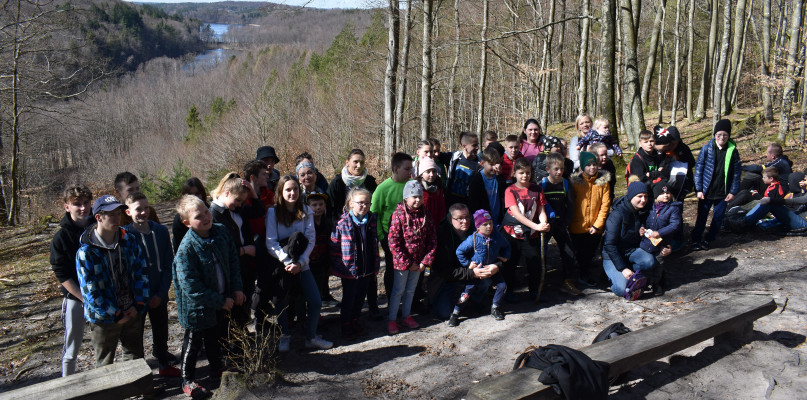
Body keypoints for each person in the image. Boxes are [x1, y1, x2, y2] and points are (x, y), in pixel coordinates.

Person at [173, 195, 245, 398]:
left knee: (215, 336)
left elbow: (232, 261)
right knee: (193, 342)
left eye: (206, 211)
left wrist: (236, 289)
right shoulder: (186, 250)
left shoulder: (220, 232)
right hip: (197, 306)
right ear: (187, 223)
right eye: (199, 216)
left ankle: (217, 368)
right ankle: (186, 379)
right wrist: (220, 301)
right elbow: (191, 288)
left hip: (221, 297)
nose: (206, 217)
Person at [76, 195, 149, 368]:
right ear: (99, 217)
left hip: (131, 310)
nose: (117, 218)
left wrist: (138, 303)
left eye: (118, 213)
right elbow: (90, 292)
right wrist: (114, 314)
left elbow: (142, 272)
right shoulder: (86, 252)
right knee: (105, 365)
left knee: (135, 358)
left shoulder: (129, 240)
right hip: (104, 318)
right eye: (111, 214)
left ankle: (139, 392)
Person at [266, 175, 333, 351]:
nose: (292, 193)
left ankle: (311, 336)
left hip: (303, 265)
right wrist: (288, 262)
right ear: (281, 191)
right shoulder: (273, 212)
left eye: (295, 189)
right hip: (283, 265)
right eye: (288, 189)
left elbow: (311, 239)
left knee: (315, 300)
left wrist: (301, 262)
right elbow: (271, 242)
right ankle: (284, 336)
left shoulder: (305, 211)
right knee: (281, 302)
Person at [123, 192, 181, 376]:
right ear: (128, 212)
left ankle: (164, 364)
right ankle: (141, 374)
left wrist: (162, 292)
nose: (143, 212)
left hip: (159, 293)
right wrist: (141, 298)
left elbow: (167, 263)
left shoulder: (161, 231)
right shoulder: (125, 236)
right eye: (138, 209)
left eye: (146, 208)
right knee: (136, 336)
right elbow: (126, 270)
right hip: (137, 298)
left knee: (161, 330)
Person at [209, 172, 265, 329]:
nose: (240, 204)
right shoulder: (213, 214)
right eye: (238, 200)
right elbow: (220, 247)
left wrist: (252, 192)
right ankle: (236, 345)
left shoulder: (235, 209)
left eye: (242, 201)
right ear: (226, 193)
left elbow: (259, 211)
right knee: (233, 309)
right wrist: (244, 250)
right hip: (230, 270)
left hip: (243, 266)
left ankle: (242, 339)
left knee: (243, 306)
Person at [428, 204, 500, 320]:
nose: (465, 221)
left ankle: (473, 301)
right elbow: (443, 270)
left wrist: (496, 266)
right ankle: (458, 301)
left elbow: (498, 249)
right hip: (448, 279)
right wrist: (471, 273)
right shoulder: (442, 235)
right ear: (451, 219)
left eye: (467, 217)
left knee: (486, 277)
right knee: (444, 313)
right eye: (460, 218)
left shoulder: (478, 228)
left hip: (474, 273)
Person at [50, 184, 92, 376]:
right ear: (67, 206)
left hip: (102, 295)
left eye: (86, 203)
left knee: (105, 343)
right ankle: (67, 387)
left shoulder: (98, 227)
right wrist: (83, 298)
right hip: (76, 298)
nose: (82, 208)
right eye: (77, 204)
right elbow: (62, 274)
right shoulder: (61, 238)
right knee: (72, 348)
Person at [386, 181, 437, 334]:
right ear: (406, 197)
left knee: (411, 290)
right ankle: (392, 319)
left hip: (419, 263)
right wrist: (408, 263)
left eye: (420, 196)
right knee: (398, 291)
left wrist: (425, 262)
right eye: (413, 196)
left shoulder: (426, 214)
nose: (417, 200)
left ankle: (406, 316)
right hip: (403, 263)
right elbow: (393, 242)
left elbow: (432, 239)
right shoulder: (399, 214)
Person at [330, 188, 380, 341]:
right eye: (360, 203)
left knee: (360, 297)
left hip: (367, 267)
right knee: (349, 298)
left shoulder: (371, 220)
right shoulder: (342, 223)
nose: (363, 206)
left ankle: (356, 320)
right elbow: (334, 246)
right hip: (350, 270)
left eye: (367, 203)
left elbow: (374, 243)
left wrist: (376, 265)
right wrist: (336, 265)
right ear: (351, 203)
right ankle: (346, 324)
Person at [602, 182, 665, 299]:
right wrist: (623, 268)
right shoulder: (617, 215)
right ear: (631, 196)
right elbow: (609, 245)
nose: (643, 200)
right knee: (622, 289)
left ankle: (633, 274)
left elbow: (654, 229)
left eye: (645, 196)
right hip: (612, 255)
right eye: (639, 196)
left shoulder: (642, 210)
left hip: (630, 250)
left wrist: (663, 244)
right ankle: (611, 276)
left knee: (649, 261)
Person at [500, 158, 550, 302]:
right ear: (514, 173)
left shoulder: (537, 189)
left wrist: (544, 222)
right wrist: (536, 226)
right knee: (510, 263)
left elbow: (541, 209)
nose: (525, 176)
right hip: (512, 233)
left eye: (528, 172)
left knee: (534, 263)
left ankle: (534, 291)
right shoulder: (510, 190)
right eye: (521, 173)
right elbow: (517, 214)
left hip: (532, 235)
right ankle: (509, 291)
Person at [449, 210, 511, 326]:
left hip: (491, 268)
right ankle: (455, 313)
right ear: (478, 227)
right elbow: (460, 251)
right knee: (467, 292)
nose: (489, 227)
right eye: (485, 224)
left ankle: (495, 308)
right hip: (477, 271)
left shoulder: (496, 236)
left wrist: (504, 257)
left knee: (502, 286)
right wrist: (468, 264)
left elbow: (506, 246)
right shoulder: (473, 239)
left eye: (490, 223)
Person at [691, 119, 742, 250]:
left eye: (725, 135)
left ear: (729, 136)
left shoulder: (733, 151)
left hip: (723, 192)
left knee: (718, 218)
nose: (722, 137)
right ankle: (696, 240)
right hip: (707, 191)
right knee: (702, 218)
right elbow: (699, 170)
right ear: (714, 135)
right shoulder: (707, 149)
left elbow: (737, 173)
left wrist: (733, 191)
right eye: (719, 134)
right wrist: (699, 189)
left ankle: (708, 239)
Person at [370, 152, 413, 302]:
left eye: (411, 169)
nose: (410, 172)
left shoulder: (411, 185)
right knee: (392, 269)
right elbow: (374, 214)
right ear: (396, 169)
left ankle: (409, 300)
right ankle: (391, 301)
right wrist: (382, 237)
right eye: (407, 169)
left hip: (410, 236)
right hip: (390, 237)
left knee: (410, 268)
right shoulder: (382, 189)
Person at [540, 153, 582, 296]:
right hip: (546, 224)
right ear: (548, 169)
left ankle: (567, 281)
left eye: (562, 169)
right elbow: (539, 205)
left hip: (561, 224)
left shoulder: (565, 183)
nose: (559, 172)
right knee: (542, 253)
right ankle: (541, 282)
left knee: (568, 252)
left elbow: (571, 205)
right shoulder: (542, 184)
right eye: (556, 169)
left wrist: (566, 222)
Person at [569, 152, 612, 286]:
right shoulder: (575, 183)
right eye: (588, 165)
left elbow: (605, 205)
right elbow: (571, 203)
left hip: (594, 226)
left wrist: (597, 225)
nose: (592, 168)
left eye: (594, 164)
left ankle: (585, 275)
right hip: (577, 225)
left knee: (589, 253)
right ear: (582, 167)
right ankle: (575, 276)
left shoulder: (603, 182)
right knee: (578, 253)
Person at [640, 183, 682, 296]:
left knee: (659, 263)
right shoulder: (649, 206)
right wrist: (642, 228)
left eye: (668, 193)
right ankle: (645, 281)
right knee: (647, 263)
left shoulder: (674, 208)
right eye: (662, 193)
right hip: (647, 241)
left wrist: (659, 233)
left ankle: (657, 284)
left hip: (662, 242)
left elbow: (675, 224)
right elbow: (642, 218)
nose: (665, 195)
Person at [327, 149, 378, 224]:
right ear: (347, 162)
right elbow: (330, 209)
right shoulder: (337, 183)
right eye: (355, 162)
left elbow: (375, 204)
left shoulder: (370, 182)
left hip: (366, 224)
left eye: (362, 162)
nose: (359, 166)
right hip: (342, 225)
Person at [307, 193, 338, 307]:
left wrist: (330, 263)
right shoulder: (306, 223)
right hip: (309, 261)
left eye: (321, 204)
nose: (318, 207)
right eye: (314, 205)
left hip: (323, 259)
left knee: (322, 282)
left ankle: (320, 306)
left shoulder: (328, 223)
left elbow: (331, 244)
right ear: (308, 207)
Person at [438, 131, 480, 207]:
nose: (477, 148)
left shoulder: (479, 163)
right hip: (450, 203)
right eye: (474, 145)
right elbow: (434, 155)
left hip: (468, 205)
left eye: (478, 144)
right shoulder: (454, 157)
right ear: (464, 146)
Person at [468, 147, 506, 225]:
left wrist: (500, 176)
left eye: (496, 164)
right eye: (491, 164)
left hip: (498, 219)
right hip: (483, 220)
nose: (494, 167)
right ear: (483, 162)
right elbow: (474, 202)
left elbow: (503, 193)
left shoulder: (498, 176)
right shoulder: (477, 179)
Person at [171, 178, 209, 253]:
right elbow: (179, 247)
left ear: (202, 194)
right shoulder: (179, 219)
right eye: (190, 194)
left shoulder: (210, 211)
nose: (194, 197)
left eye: (197, 193)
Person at [418, 157, 446, 225]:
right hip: (422, 224)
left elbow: (442, 207)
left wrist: (442, 221)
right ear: (421, 173)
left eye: (434, 171)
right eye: (428, 172)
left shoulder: (439, 187)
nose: (432, 175)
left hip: (436, 224)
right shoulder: (417, 188)